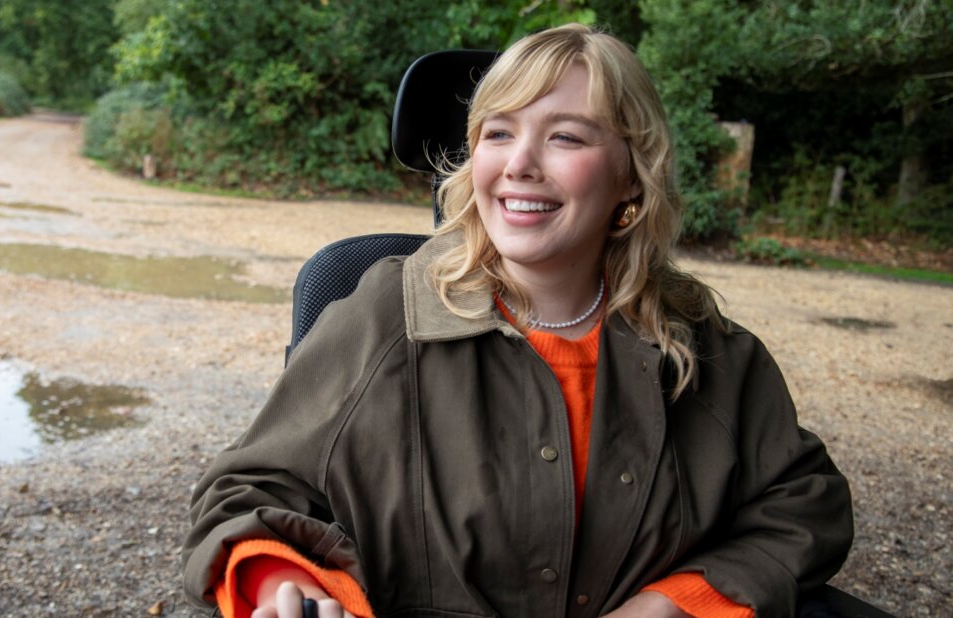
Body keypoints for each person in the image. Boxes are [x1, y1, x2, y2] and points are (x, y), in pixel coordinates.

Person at [181, 23, 853, 618]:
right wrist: (282, 583)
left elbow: (805, 504)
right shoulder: (389, 314)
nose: (520, 165)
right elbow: (244, 491)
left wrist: (676, 603)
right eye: (498, 133)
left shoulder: (700, 344)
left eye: (564, 136)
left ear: (631, 176)